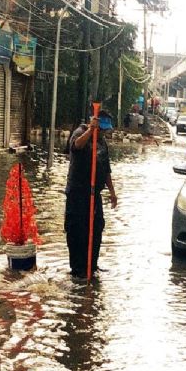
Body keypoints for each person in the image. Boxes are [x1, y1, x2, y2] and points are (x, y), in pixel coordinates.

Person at [65, 110, 118, 279]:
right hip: (78, 194)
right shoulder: (80, 133)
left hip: (95, 195)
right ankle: (78, 270)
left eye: (104, 130)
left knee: (96, 229)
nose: (103, 132)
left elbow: (106, 169)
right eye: (101, 129)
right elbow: (76, 146)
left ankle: (92, 266)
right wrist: (90, 131)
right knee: (77, 231)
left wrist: (112, 192)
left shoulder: (102, 142)